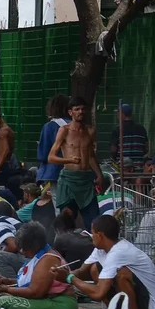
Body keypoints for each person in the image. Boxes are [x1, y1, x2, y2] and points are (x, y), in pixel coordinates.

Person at [52, 215, 155, 309]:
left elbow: (98, 293)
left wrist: (70, 278)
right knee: (95, 269)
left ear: (100, 235)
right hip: (141, 302)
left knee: (122, 275)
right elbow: (81, 271)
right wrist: (62, 274)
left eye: (93, 233)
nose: (91, 237)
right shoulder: (101, 249)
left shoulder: (119, 252)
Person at [0, 221, 77, 309]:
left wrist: (6, 289)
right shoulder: (37, 256)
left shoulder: (48, 259)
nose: (21, 252)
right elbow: (32, 282)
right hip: (49, 301)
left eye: (23, 249)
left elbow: (35, 292)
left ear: (33, 247)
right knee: (1, 301)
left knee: (4, 303)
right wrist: (8, 281)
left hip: (60, 304)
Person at [48, 97, 105, 231]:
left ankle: (94, 249)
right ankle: (64, 249)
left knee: (94, 221)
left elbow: (91, 155)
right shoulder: (64, 130)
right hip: (69, 180)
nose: (80, 112)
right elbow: (51, 157)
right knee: (66, 222)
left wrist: (99, 175)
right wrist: (69, 160)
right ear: (70, 112)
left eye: (83, 109)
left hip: (86, 180)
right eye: (77, 109)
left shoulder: (91, 130)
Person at [37, 94, 70, 212]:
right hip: (77, 171)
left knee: (59, 204)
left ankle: (63, 229)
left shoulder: (50, 126)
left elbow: (43, 154)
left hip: (56, 172)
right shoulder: (76, 126)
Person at [111, 104, 149, 173]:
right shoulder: (142, 129)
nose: (117, 116)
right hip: (138, 169)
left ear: (122, 114)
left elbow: (114, 150)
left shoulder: (117, 129)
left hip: (123, 170)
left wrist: (114, 159)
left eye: (118, 114)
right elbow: (146, 149)